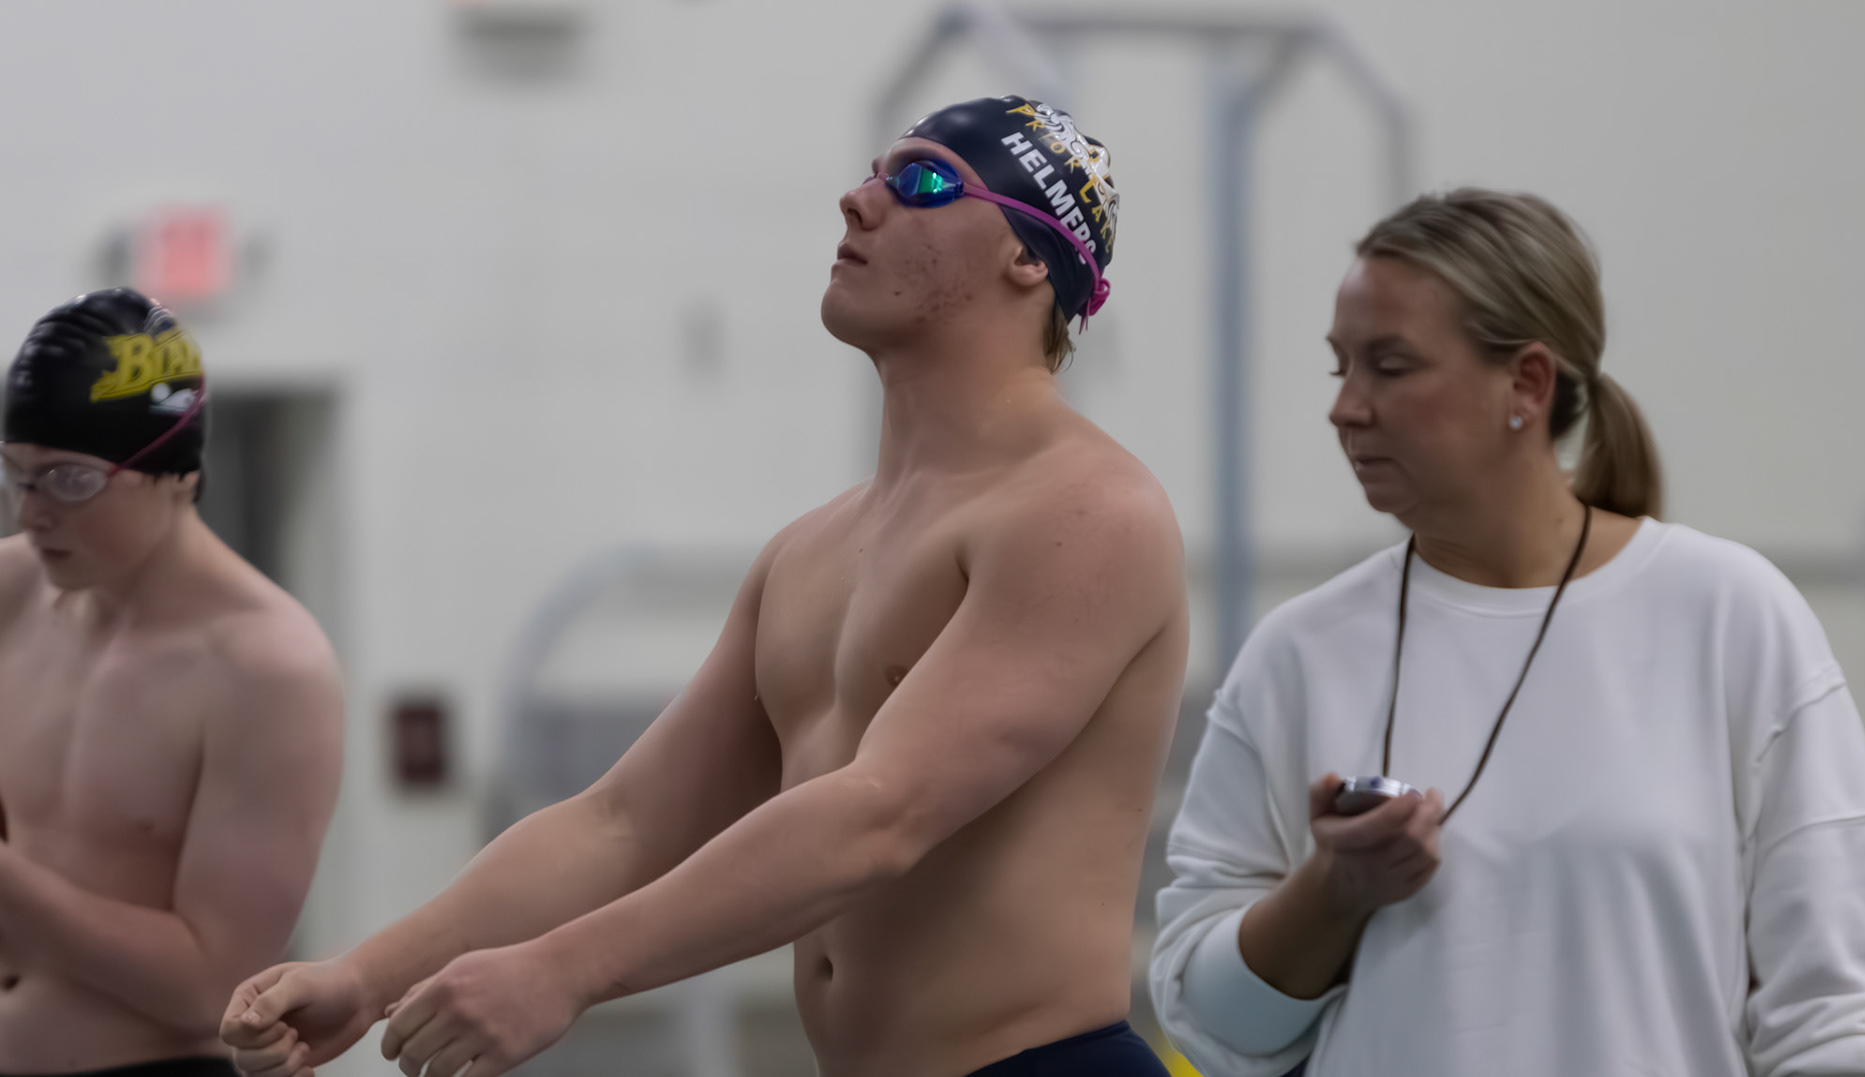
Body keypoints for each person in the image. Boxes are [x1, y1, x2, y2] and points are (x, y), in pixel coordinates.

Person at [223, 95, 1187, 1077]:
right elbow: (622, 822)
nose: (859, 201)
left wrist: (565, 969)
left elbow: (880, 816)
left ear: (1030, 257)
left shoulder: (1086, 512)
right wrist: (368, 972)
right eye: (873, 173)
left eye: (923, 182)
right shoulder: (809, 552)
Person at [1150, 188, 1865, 1077]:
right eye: (1341, 367)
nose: (1346, 407)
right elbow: (1209, 1025)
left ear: (1527, 383)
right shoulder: (1299, 655)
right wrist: (1333, 890)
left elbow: (1841, 1014)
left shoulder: (1731, 616)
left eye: (1390, 366)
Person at [0, 289, 344, 1077]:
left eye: (69, 480)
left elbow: (213, 983)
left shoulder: (266, 667)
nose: (32, 513)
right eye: (16, 474)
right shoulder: (10, 592)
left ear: (179, 472)